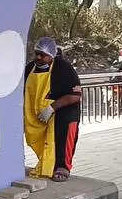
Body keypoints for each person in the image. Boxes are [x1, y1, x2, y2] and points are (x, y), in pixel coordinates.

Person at [24, 37, 81, 182]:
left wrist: (51, 108)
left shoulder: (63, 68)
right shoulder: (29, 68)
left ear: (51, 55)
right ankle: (48, 163)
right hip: (38, 111)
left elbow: (74, 96)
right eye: (37, 53)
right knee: (34, 136)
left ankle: (63, 166)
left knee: (64, 132)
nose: (38, 57)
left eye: (42, 55)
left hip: (63, 109)